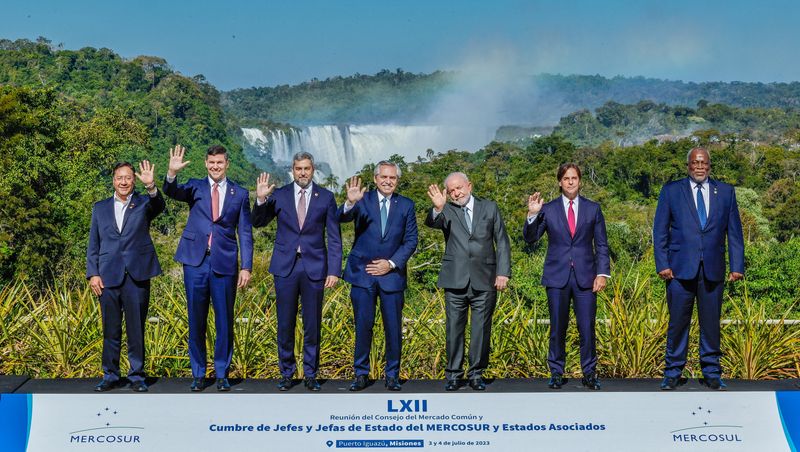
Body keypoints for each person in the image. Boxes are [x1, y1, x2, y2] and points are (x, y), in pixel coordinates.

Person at [163, 144, 253, 392]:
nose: (215, 167)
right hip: (195, 261)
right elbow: (172, 191)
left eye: (220, 163)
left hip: (225, 263)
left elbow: (245, 233)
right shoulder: (194, 186)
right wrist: (171, 173)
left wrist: (246, 266)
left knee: (224, 320)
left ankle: (222, 373)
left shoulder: (241, 193)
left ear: (227, 164)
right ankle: (199, 373)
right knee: (196, 319)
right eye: (212, 163)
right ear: (206, 163)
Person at [653, 147, 744, 391]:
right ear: (688, 166)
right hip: (679, 271)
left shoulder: (725, 192)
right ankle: (672, 373)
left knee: (711, 323)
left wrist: (737, 265)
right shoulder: (672, 191)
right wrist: (662, 264)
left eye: (704, 163)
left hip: (713, 269)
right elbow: (660, 230)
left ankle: (712, 372)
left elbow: (734, 232)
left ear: (710, 165)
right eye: (695, 162)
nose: (700, 167)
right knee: (678, 323)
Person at [252, 152, 342, 392]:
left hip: (315, 267)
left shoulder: (326, 197)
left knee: (312, 323)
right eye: (298, 168)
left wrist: (334, 270)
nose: (303, 172)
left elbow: (334, 238)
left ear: (313, 170)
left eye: (307, 168)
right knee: (285, 323)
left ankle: (311, 374)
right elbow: (258, 222)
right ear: (292, 170)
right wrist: (260, 200)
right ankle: (287, 373)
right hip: (285, 267)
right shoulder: (279, 195)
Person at [523, 163, 610, 390]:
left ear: (580, 181)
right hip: (557, 277)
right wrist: (532, 215)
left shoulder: (593, 209)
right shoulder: (548, 209)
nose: (570, 182)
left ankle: (589, 373)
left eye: (574, 178)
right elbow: (531, 239)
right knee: (557, 327)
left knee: (587, 327)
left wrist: (602, 274)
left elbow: (601, 244)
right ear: (560, 182)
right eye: (566, 178)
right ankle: (556, 372)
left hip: (586, 277)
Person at [425, 172, 511, 391]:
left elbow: (501, 241)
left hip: (486, 278)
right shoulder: (447, 209)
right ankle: (453, 375)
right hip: (455, 279)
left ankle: (476, 374)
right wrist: (438, 208)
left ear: (469, 185)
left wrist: (503, 273)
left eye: (459, 188)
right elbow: (433, 223)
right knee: (453, 329)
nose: (456, 193)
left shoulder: (490, 207)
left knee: (481, 329)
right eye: (452, 190)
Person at [338, 161, 418, 392]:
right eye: (383, 177)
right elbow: (341, 218)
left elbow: (411, 240)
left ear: (397, 180)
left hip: (391, 276)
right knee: (363, 327)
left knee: (393, 328)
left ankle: (392, 375)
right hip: (362, 275)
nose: (388, 181)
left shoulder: (406, 205)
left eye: (392, 178)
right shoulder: (361, 200)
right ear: (375, 179)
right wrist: (349, 203)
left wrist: (391, 264)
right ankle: (361, 374)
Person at [87, 161, 164, 393]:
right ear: (113, 180)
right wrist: (93, 273)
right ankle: (110, 375)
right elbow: (94, 243)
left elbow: (159, 205)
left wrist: (151, 186)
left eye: (128, 178)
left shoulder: (143, 203)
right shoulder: (100, 208)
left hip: (136, 274)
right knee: (110, 329)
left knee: (136, 329)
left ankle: (137, 376)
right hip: (107, 276)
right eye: (119, 178)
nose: (123, 182)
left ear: (134, 180)